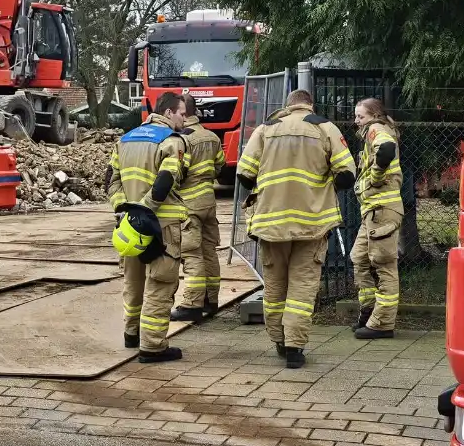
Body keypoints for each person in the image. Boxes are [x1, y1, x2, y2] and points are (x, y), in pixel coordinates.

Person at [237, 89, 356, 368]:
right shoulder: (325, 127)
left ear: (287, 106)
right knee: (303, 287)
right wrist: (322, 190)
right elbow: (348, 175)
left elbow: (243, 175)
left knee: (275, 285)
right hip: (311, 223)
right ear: (309, 105)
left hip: (271, 224)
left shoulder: (266, 129)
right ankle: (295, 348)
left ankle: (278, 340)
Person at [107, 91, 189, 363]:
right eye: (181, 112)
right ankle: (152, 346)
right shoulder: (172, 141)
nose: (184, 118)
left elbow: (111, 180)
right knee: (160, 283)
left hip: (130, 227)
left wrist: (125, 211)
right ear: (167, 113)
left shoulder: (125, 139)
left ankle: (131, 333)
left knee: (133, 280)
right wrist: (145, 210)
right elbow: (166, 180)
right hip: (160, 226)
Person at [350, 97, 403, 339]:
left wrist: (375, 176)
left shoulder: (376, 129)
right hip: (372, 212)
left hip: (382, 210)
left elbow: (387, 150)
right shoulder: (374, 130)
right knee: (359, 258)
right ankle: (369, 311)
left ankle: (382, 324)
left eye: (360, 116)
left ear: (374, 115)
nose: (356, 121)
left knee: (384, 266)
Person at [171, 92, 226, 322]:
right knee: (208, 252)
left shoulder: (182, 138)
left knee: (191, 253)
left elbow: (176, 171)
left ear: (184, 111)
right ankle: (210, 300)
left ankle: (192, 303)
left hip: (188, 204)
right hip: (208, 202)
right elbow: (220, 165)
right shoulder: (212, 137)